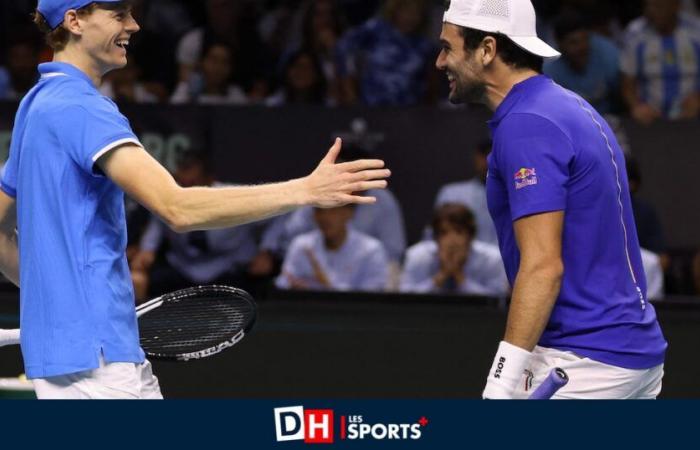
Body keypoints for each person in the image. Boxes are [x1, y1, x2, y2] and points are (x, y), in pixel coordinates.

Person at [0, 0, 390, 400]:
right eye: (119, 15)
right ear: (74, 20)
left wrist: (54, 297)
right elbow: (178, 208)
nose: (133, 25)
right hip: (97, 366)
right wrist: (305, 190)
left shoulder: (36, 105)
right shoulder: (84, 110)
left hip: (75, 356)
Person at [436, 0, 667, 399]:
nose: (440, 62)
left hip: (584, 363)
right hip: (627, 355)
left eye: (447, 48)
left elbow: (543, 266)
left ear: (487, 50)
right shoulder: (566, 105)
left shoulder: (527, 125)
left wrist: (501, 380)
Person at [129, 152, 259, 300]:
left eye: (192, 184)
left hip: (230, 268)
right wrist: (147, 250)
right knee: (138, 280)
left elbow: (280, 214)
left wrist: (268, 250)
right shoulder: (171, 198)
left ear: (210, 180)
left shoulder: (236, 198)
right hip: (183, 268)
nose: (186, 192)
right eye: (181, 184)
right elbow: (156, 227)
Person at [400, 204, 507, 296]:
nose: (452, 240)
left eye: (458, 232)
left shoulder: (492, 260)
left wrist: (459, 277)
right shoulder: (417, 256)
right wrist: (441, 276)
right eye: (444, 233)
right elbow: (404, 299)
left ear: (470, 236)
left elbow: (497, 302)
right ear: (436, 238)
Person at [275, 205, 389, 292]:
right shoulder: (301, 245)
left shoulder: (372, 250)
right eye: (320, 210)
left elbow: (371, 299)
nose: (325, 217)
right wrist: (293, 287)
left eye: (333, 210)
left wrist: (327, 284)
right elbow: (282, 283)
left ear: (349, 213)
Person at [621, 0, 700, 124]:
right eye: (648, 5)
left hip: (692, 119)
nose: (651, 11)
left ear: (676, 6)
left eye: (658, 6)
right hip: (650, 121)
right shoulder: (635, 33)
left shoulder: (696, 32)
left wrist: (698, 99)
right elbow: (627, 83)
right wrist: (636, 106)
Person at [543, 12, 622, 115]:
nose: (582, 47)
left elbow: (622, 94)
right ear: (559, 44)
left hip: (607, 118)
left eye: (585, 39)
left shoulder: (607, 53)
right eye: (573, 42)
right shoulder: (549, 69)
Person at [434, 138, 498, 246]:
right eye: (484, 154)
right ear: (476, 157)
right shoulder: (451, 194)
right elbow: (432, 238)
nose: (488, 160)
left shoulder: (520, 194)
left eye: (494, 155)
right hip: (461, 260)